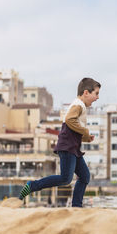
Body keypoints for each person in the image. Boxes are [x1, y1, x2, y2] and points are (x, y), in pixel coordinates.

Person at [19, 78, 101, 207]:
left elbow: (73, 127)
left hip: (73, 147)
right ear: (86, 92)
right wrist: (85, 131)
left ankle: (76, 206)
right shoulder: (78, 105)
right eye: (96, 94)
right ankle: (32, 186)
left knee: (84, 176)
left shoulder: (79, 105)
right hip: (68, 147)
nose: (97, 97)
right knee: (65, 179)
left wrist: (85, 137)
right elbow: (69, 120)